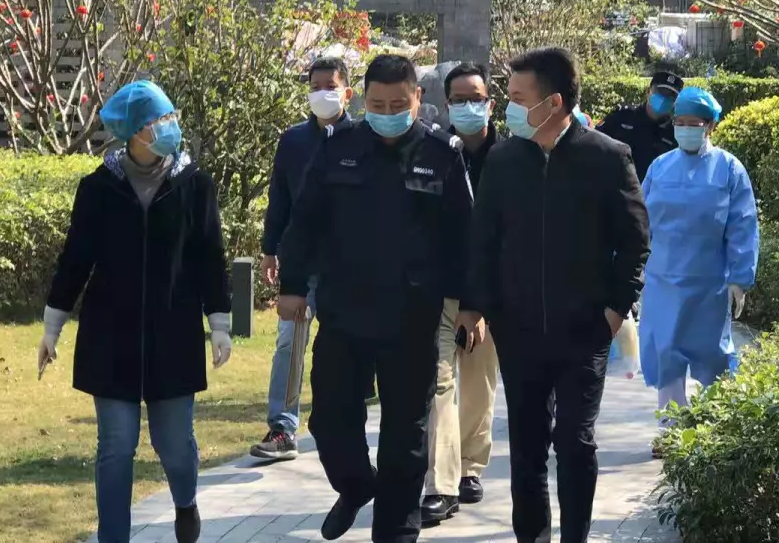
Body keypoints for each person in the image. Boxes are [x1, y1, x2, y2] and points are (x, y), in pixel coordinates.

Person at [277, 54, 475, 543]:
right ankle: (356, 485)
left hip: (412, 316)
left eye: (398, 105)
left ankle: (396, 532)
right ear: (363, 100)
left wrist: (472, 304)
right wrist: (292, 286)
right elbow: (305, 222)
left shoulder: (442, 153)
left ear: (417, 99)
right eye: (377, 105)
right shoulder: (338, 147)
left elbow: (466, 236)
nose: (387, 113)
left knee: (405, 437)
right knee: (329, 419)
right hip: (345, 310)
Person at [459, 47, 650, 543]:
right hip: (518, 329)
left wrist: (615, 309)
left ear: (555, 102)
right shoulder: (503, 160)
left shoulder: (607, 157)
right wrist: (477, 306)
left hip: (584, 329)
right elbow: (483, 239)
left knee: (575, 441)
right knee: (526, 447)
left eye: (519, 98)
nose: (510, 107)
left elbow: (635, 240)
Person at [36, 81, 231, 543]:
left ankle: (186, 501)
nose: (170, 127)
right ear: (135, 131)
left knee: (174, 445)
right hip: (110, 337)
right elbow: (75, 260)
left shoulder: (195, 185)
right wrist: (52, 327)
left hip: (174, 335)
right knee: (115, 446)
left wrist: (220, 325)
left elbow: (210, 258)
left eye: (171, 117)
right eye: (160, 120)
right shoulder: (98, 188)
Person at [250, 57, 354, 461]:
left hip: (348, 268)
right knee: (289, 344)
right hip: (301, 265)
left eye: (330, 86)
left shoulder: (361, 140)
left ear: (347, 92)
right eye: (315, 86)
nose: (322, 93)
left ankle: (342, 420)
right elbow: (280, 198)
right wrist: (270, 249)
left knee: (344, 347)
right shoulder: (293, 141)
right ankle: (282, 427)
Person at [638, 86, 758, 428]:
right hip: (662, 280)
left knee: (713, 356)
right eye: (680, 122)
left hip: (709, 282)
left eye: (694, 123)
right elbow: (640, 222)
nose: (686, 129)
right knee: (665, 352)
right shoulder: (660, 167)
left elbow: (742, 224)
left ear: (711, 126)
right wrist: (633, 269)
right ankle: (671, 430)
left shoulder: (728, 169)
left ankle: (714, 428)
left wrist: (739, 278)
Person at [421, 63, 501, 524]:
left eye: (476, 98)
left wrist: (482, 302)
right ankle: (442, 482)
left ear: (490, 102)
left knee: (478, 383)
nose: (467, 106)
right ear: (446, 104)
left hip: (491, 291)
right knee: (439, 384)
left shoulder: (510, 156)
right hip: (441, 290)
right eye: (458, 99)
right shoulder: (433, 152)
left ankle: (470, 466)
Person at [597, 70, 684, 181]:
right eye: (661, 92)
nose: (664, 99)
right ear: (648, 91)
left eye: (671, 96)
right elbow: (595, 144)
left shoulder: (674, 133)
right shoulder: (621, 117)